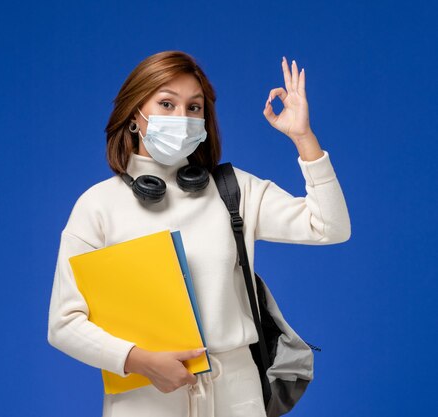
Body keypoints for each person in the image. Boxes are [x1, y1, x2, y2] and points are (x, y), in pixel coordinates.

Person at [47, 50, 351, 417]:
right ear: (133, 116)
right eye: (166, 103)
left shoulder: (233, 191)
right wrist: (137, 360)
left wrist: (304, 138)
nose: (182, 117)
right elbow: (64, 324)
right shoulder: (98, 205)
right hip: (146, 396)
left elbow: (330, 227)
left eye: (194, 107)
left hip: (237, 391)